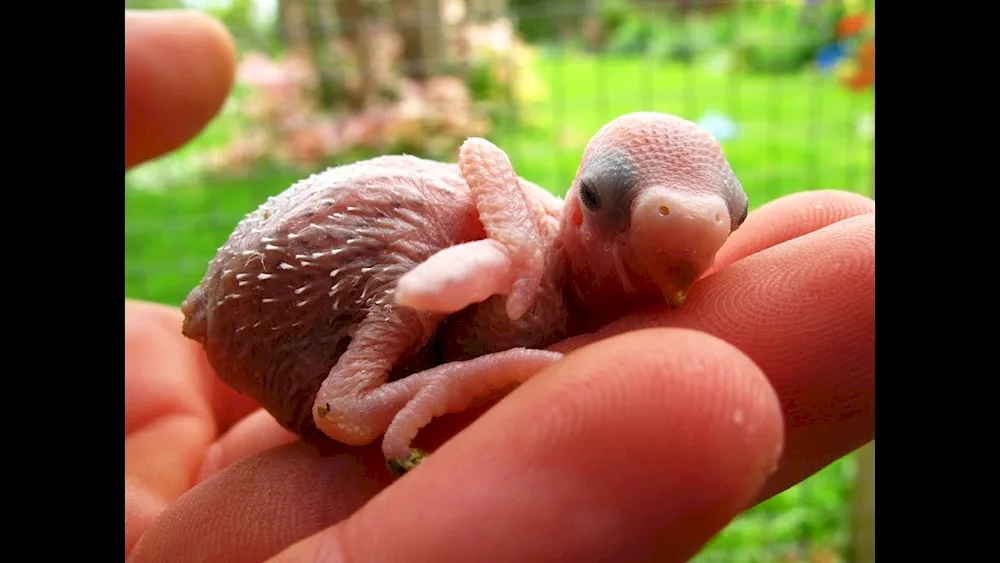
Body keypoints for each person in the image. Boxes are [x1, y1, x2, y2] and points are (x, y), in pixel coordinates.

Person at [124, 9, 875, 562]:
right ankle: (350, 397)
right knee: (427, 231)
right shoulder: (529, 266)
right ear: (579, 212)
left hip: (268, 329)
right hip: (289, 315)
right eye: (609, 208)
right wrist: (500, 292)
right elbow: (481, 154)